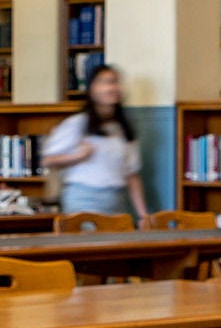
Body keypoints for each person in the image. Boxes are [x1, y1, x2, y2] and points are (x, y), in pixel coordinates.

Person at [41, 64, 149, 222]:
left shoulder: (122, 128)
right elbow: (48, 159)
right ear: (92, 88)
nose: (112, 87)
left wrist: (143, 215)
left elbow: (131, 174)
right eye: (105, 82)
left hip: (116, 201)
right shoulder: (78, 123)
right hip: (84, 199)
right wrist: (78, 157)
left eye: (115, 82)